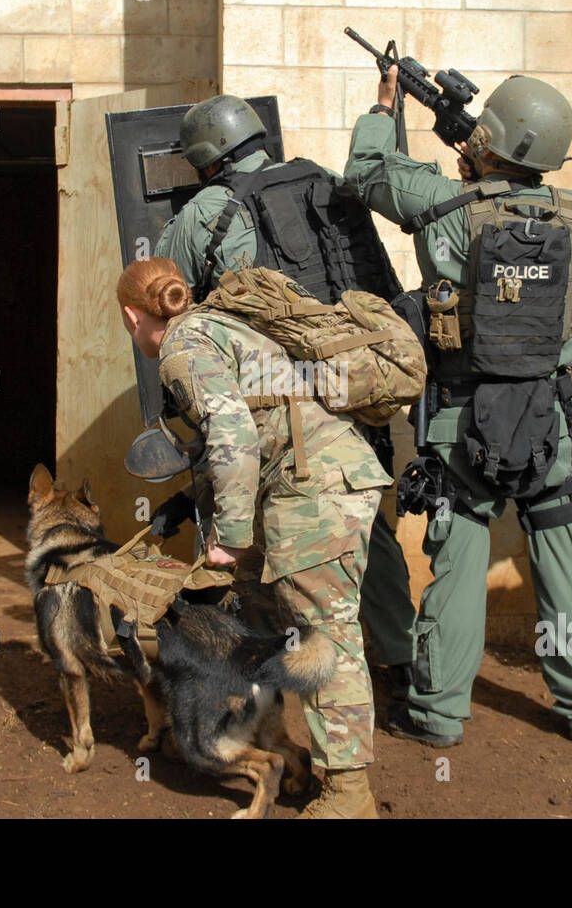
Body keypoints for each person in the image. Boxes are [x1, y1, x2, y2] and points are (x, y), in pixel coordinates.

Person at [343, 67, 572, 745]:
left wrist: (387, 105)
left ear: (488, 140)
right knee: (563, 553)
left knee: (458, 562)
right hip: (549, 414)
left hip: (463, 417)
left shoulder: (445, 207)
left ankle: (437, 715)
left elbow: (367, 168)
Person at [154, 94, 416, 694]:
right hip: (355, 387)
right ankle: (401, 664)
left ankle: (246, 677)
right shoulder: (326, 183)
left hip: (269, 409)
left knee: (237, 530)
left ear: (205, 159)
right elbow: (379, 279)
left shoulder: (209, 212)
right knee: (363, 526)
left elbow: (161, 294)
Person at [117, 256, 389, 818]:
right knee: (263, 621)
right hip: (312, 483)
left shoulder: (181, 349)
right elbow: (257, 421)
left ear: (131, 316)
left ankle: (349, 797)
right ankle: (277, 747)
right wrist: (193, 505)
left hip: (319, 493)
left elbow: (235, 436)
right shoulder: (218, 325)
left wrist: (231, 539)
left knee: (327, 637)